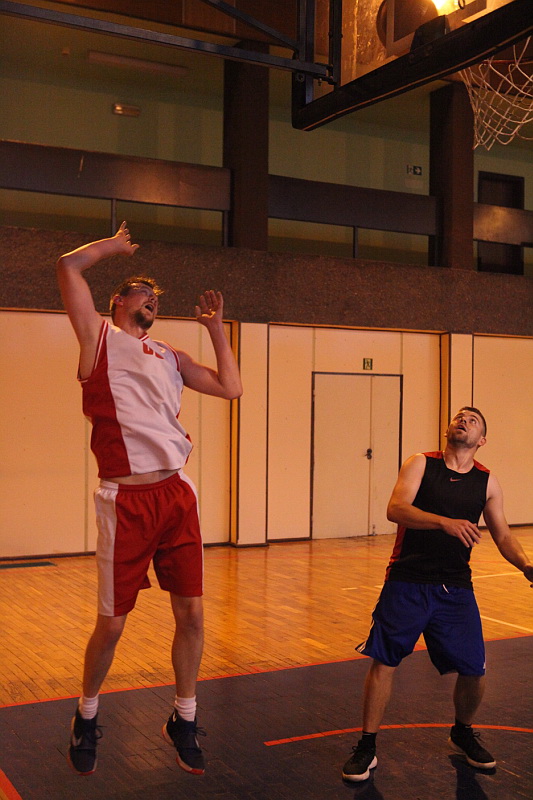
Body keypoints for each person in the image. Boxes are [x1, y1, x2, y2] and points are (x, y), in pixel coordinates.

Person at [56, 221, 242, 777]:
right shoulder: (97, 339)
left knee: (193, 614)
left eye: (156, 297)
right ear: (119, 301)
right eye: (142, 293)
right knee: (113, 625)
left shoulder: (170, 354)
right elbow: (68, 266)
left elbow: (231, 387)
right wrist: (112, 248)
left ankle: (184, 717)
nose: (152, 300)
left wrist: (216, 330)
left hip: (177, 494)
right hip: (126, 501)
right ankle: (87, 713)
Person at [342, 407, 533, 783]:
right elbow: (396, 509)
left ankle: (462, 732)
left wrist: (526, 565)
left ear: (482, 440)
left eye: (473, 420)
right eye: (460, 417)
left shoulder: (487, 482)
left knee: (475, 669)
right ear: (448, 429)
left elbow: (503, 535)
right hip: (407, 579)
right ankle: (366, 746)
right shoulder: (420, 464)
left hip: (455, 586)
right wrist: (444, 522)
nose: (464, 421)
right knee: (385, 661)